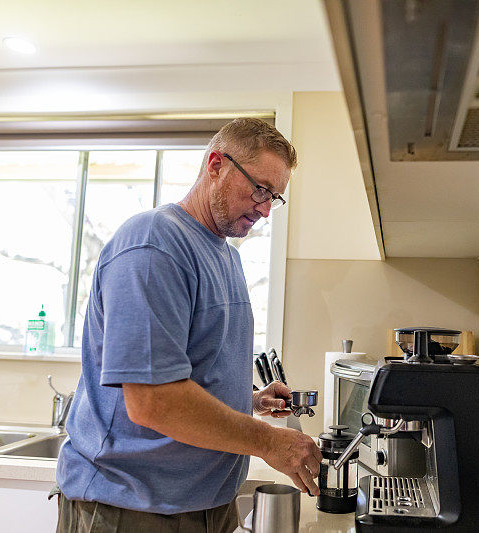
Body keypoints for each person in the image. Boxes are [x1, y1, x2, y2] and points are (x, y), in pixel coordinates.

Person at [54, 118, 322, 532]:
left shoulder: (225, 256)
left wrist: (247, 399)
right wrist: (268, 442)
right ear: (216, 165)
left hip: (206, 507)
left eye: (276, 198)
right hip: (131, 509)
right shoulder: (154, 245)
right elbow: (153, 400)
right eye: (260, 189)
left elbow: (187, 371)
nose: (266, 209)